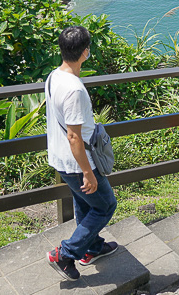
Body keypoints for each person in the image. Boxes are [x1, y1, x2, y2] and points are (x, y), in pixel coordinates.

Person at [46, 26, 119, 282]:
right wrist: (88, 172)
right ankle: (65, 254)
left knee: (85, 204)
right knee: (106, 205)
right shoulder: (75, 90)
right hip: (78, 163)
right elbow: (74, 136)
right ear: (85, 52)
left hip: (61, 159)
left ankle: (93, 247)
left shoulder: (54, 76)